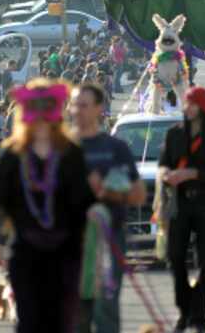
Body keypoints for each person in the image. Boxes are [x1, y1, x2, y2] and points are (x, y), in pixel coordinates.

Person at [0, 80, 95, 333]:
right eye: (34, 109)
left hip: (66, 256)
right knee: (29, 323)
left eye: (46, 108)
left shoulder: (71, 153)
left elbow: (87, 209)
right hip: (25, 255)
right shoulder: (12, 156)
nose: (40, 118)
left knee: (62, 324)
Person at [71, 83, 145, 333]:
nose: (77, 110)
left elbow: (138, 195)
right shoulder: (61, 149)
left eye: (84, 105)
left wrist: (105, 191)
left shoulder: (115, 149)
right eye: (74, 105)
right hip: (70, 240)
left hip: (109, 237)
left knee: (106, 305)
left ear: (99, 108)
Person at [158, 86, 205, 333]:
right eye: (185, 103)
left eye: (191, 103)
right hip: (179, 203)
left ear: (201, 106)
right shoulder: (174, 134)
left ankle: (199, 314)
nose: (186, 107)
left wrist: (194, 173)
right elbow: (163, 164)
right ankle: (184, 309)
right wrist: (166, 174)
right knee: (175, 257)